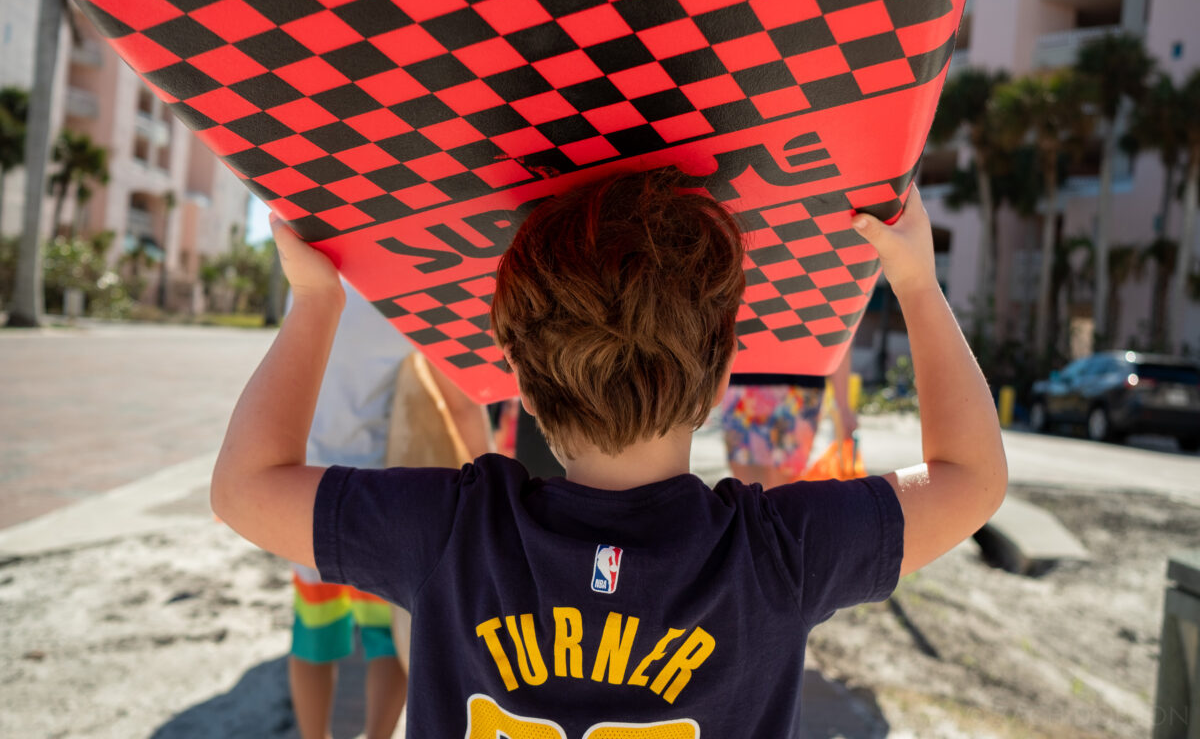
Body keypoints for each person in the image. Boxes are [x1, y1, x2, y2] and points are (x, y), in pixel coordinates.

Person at [212, 171, 1007, 734]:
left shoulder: (455, 532)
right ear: (724, 373)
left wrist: (317, 300)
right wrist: (918, 286)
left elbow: (245, 488)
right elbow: (971, 478)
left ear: (519, 379)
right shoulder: (775, 556)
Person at [285, 279, 490, 739]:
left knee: (314, 637)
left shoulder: (311, 280)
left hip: (306, 490)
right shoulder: (408, 291)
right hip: (379, 499)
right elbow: (459, 405)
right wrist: (495, 481)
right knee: (389, 639)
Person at [721, 348, 859, 489]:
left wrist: (843, 408)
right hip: (744, 379)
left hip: (799, 388)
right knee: (746, 489)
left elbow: (838, 336)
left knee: (782, 490)